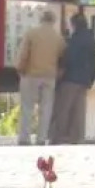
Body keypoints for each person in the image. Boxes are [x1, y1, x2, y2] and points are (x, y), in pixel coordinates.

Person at [15, 9, 65, 146]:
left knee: (27, 107)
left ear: (41, 19)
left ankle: (24, 138)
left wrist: (19, 68)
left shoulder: (31, 33)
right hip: (49, 75)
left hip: (31, 74)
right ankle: (41, 138)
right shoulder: (58, 38)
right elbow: (62, 57)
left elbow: (24, 54)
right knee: (46, 108)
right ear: (53, 21)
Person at [52, 11, 95, 144]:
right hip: (84, 79)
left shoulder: (75, 40)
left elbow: (68, 59)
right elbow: (94, 61)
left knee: (64, 109)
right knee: (79, 111)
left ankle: (59, 136)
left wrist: (60, 74)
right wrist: (91, 79)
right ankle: (77, 137)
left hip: (70, 78)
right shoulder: (91, 40)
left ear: (74, 25)